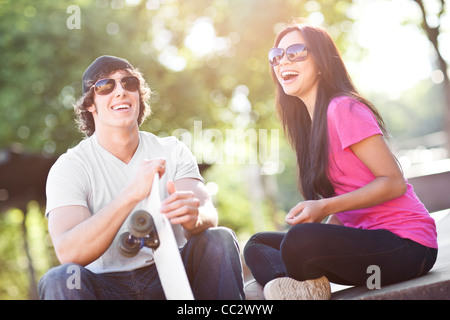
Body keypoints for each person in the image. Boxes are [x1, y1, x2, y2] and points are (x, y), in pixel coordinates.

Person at [243, 19, 438, 300]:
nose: (283, 61)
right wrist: (324, 232)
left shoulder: (343, 108)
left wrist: (322, 209)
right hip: (370, 248)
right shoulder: (310, 131)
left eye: (296, 52)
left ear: (321, 63)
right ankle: (299, 289)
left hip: (408, 247)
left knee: (300, 241)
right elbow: (346, 206)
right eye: (276, 56)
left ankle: (296, 282)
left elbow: (394, 183)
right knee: (258, 243)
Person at [38, 55, 244, 300]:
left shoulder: (172, 150)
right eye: (105, 86)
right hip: (106, 288)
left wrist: (194, 216)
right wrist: (131, 194)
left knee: (218, 238)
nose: (120, 92)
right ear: (90, 104)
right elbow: (69, 251)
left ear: (139, 95)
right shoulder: (70, 167)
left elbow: (207, 211)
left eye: (129, 83)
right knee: (60, 278)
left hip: (172, 274)